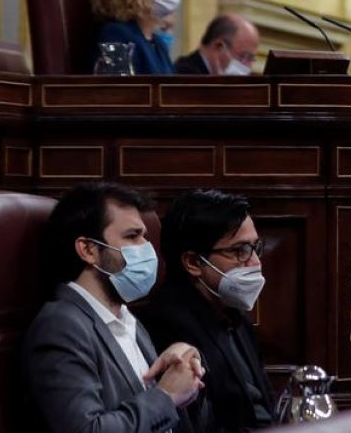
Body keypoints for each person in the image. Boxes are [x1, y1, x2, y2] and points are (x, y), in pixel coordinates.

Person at [23, 182, 205, 433]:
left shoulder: (125, 317)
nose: (146, 248)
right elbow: (86, 430)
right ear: (88, 249)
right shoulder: (60, 326)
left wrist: (184, 370)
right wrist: (165, 395)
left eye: (145, 237)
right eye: (132, 236)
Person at [144, 190, 273, 432]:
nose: (255, 262)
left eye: (255, 247)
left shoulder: (233, 313)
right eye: (240, 251)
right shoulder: (169, 324)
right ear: (193, 262)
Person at [175, 14, 261, 76]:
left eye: (251, 59)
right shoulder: (185, 78)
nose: (248, 67)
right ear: (219, 46)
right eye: (245, 56)